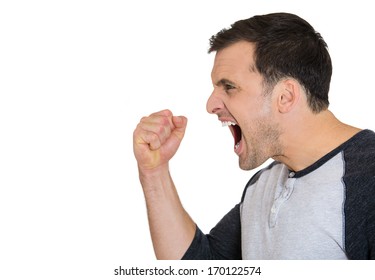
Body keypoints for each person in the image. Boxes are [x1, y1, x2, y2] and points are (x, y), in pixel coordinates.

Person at [132, 12, 375, 260]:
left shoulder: (368, 177)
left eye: (229, 87)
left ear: (285, 97)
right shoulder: (264, 184)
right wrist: (154, 172)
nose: (210, 104)